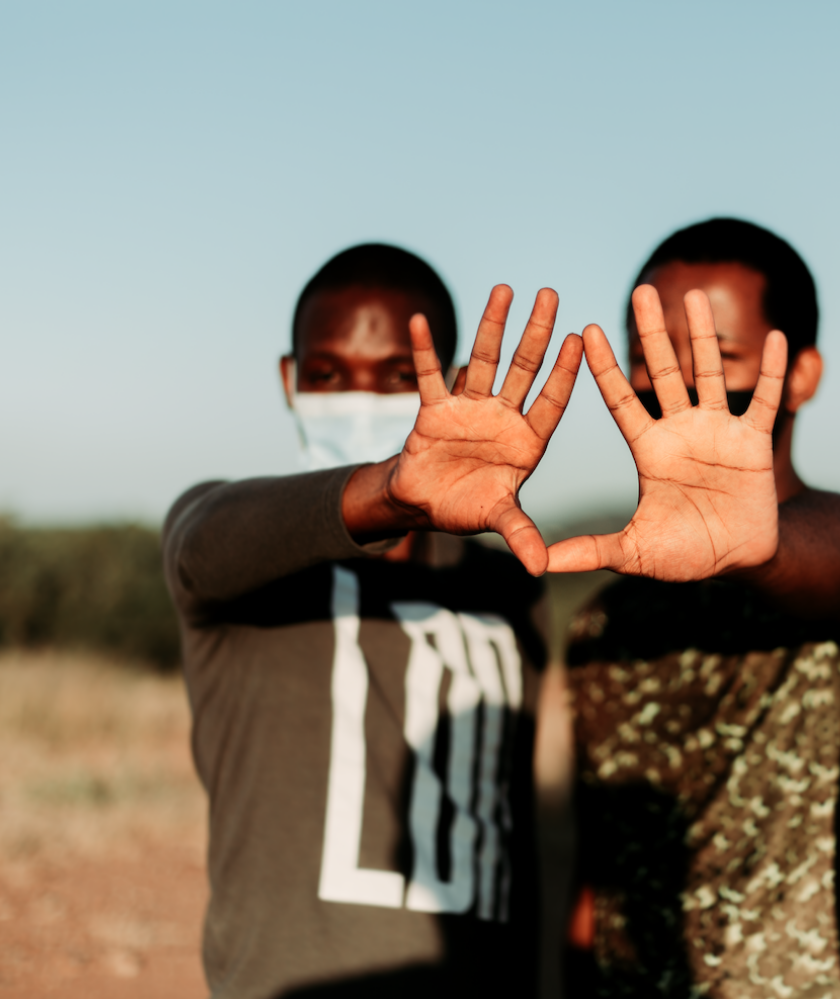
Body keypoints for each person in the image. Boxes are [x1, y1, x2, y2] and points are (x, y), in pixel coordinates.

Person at [547, 219, 840, 998]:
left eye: (717, 357)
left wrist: (758, 546)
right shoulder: (604, 623)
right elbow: (595, 880)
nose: (672, 383)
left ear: (802, 374)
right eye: (649, 356)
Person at [162, 244, 585, 998]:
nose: (358, 399)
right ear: (289, 381)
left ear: (452, 388)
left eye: (397, 375)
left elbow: (509, 827)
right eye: (326, 375)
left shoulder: (504, 585)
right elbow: (202, 543)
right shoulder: (244, 566)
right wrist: (392, 490)